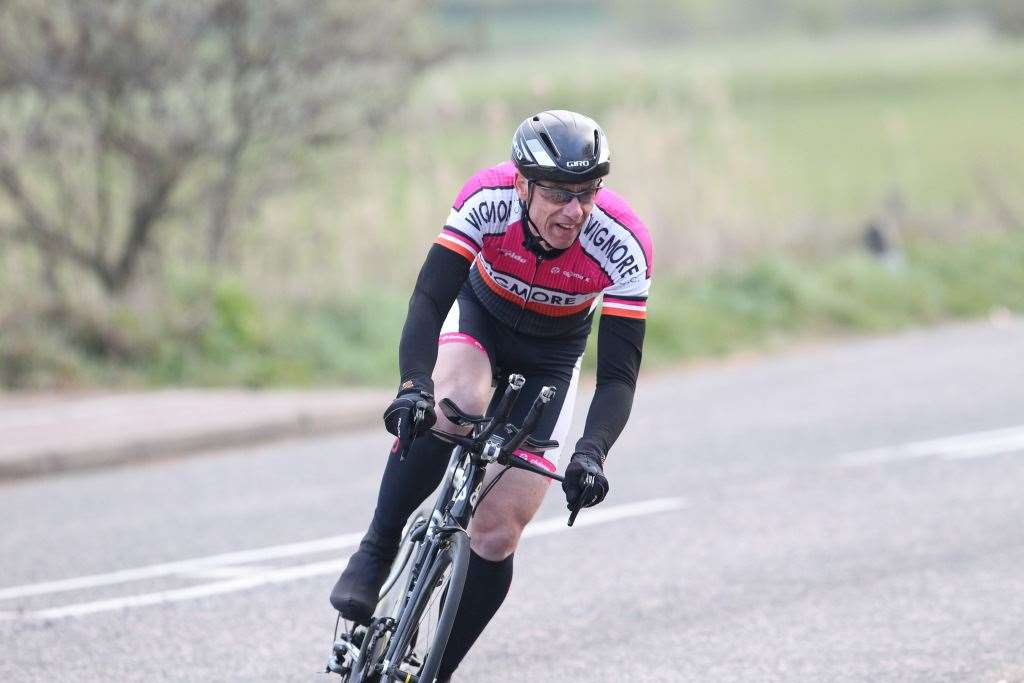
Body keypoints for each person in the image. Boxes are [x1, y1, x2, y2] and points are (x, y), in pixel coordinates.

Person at [330, 109, 653, 680]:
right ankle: (378, 548)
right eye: (557, 193)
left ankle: (438, 670)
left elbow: (619, 377)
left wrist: (591, 453)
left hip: (554, 354)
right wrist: (412, 387)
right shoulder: (487, 199)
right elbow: (429, 300)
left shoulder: (622, 243)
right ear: (523, 183)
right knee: (455, 404)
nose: (574, 211)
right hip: (482, 318)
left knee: (500, 530)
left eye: (587, 193)